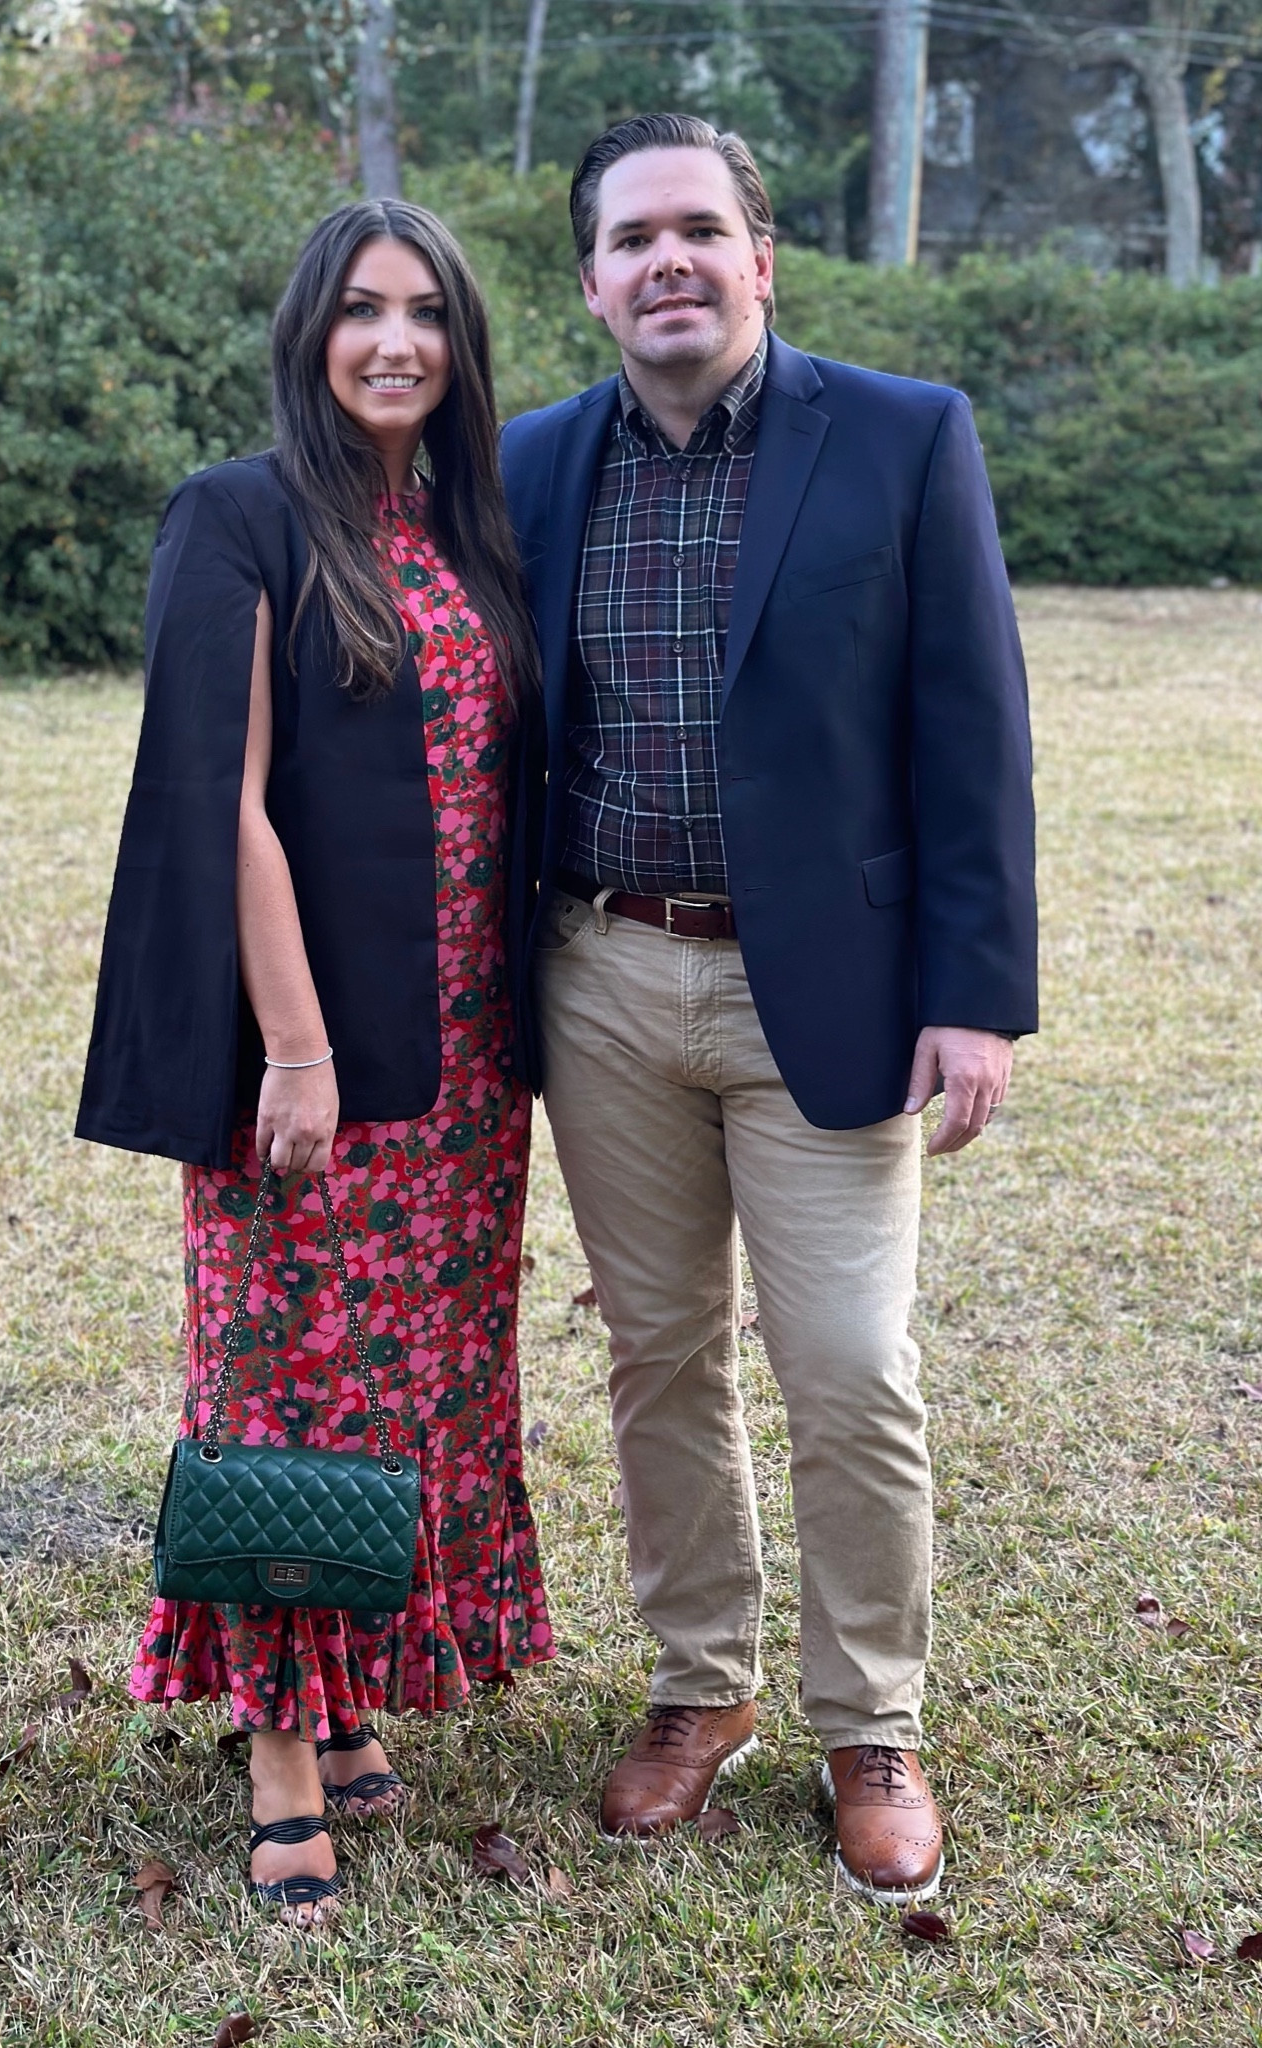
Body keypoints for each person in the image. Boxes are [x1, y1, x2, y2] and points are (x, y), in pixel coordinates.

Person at [500, 114, 1036, 1902]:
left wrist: (975, 993)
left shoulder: (898, 436)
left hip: (838, 991)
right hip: (602, 975)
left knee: (849, 1367)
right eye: (632, 239)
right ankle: (694, 1689)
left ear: (761, 257)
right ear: (589, 282)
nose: (668, 261)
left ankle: (868, 1718)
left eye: (699, 230)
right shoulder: (530, 466)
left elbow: (971, 731)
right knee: (658, 1359)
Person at [76, 199, 552, 1929]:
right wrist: (294, 1049)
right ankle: (283, 1752)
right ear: (307, 331)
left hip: (469, 1066)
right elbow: (234, 803)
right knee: (282, 1393)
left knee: (411, 1386)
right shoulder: (242, 514)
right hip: (318, 1059)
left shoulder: (461, 525)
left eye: (426, 313)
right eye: (360, 311)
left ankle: (356, 1691)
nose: (394, 342)